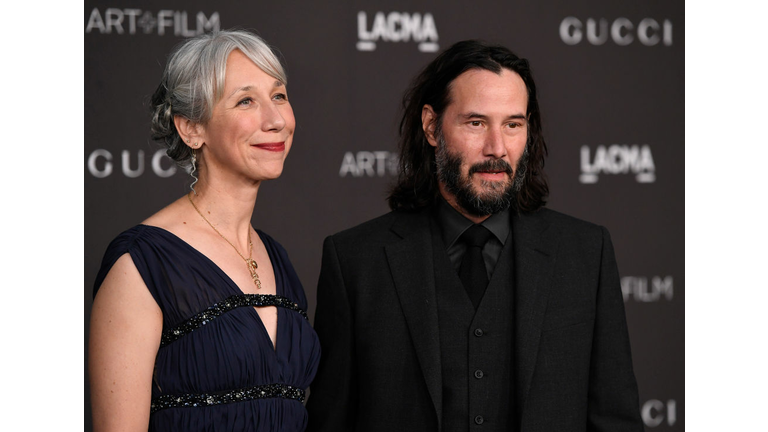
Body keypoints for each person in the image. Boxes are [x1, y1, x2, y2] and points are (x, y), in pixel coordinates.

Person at [306, 40, 643, 432]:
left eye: (513, 125)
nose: (496, 148)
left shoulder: (586, 254)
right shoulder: (355, 261)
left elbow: (615, 420)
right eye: (476, 123)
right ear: (432, 126)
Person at [89, 30, 320, 432]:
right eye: (246, 100)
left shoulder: (276, 257)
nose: (276, 120)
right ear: (191, 129)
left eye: (279, 96)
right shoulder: (142, 263)